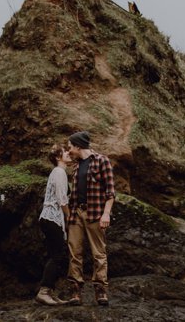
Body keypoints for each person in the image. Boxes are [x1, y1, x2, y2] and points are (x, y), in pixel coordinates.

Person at [63, 130, 115, 306]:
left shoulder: (102, 161)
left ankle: (101, 290)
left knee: (98, 253)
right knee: (74, 252)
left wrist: (106, 213)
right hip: (76, 214)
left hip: (95, 214)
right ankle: (75, 291)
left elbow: (110, 192)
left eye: (70, 147)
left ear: (78, 146)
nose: (68, 150)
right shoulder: (77, 165)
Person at [35, 143, 72, 305]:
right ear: (58, 157)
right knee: (56, 255)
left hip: (51, 219)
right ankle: (44, 292)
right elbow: (62, 198)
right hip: (51, 218)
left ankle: (49, 292)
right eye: (65, 152)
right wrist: (70, 217)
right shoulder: (58, 171)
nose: (69, 153)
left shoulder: (60, 172)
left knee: (55, 255)